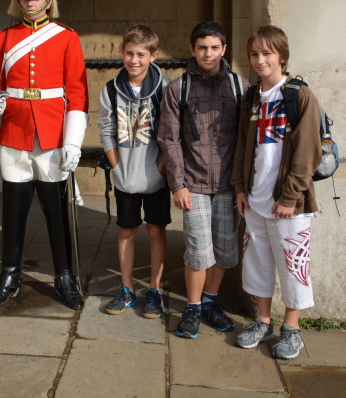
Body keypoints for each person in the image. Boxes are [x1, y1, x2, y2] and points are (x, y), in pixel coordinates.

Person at [0, 0, 89, 310]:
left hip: (52, 133)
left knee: (56, 212)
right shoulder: (4, 37)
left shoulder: (66, 38)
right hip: (14, 130)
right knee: (13, 211)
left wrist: (72, 141)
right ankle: (9, 274)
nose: (30, 3)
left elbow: (77, 93)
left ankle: (64, 276)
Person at [232, 25, 321, 359]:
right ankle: (263, 321)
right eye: (254, 54)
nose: (260, 60)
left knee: (293, 265)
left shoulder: (299, 96)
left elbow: (307, 153)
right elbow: (243, 146)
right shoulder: (252, 97)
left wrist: (290, 197)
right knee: (257, 263)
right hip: (255, 199)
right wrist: (240, 188)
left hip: (288, 204)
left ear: (282, 56)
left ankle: (292, 328)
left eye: (267, 53)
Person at [157, 21, 248, 339]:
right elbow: (169, 139)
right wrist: (178, 184)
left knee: (224, 249)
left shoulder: (239, 87)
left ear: (224, 49)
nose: (208, 54)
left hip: (228, 186)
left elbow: (246, 139)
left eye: (214, 47)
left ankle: (211, 301)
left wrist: (241, 186)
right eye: (202, 48)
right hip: (193, 184)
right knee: (197, 251)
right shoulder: (178, 88)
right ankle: (193, 307)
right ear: (192, 49)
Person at [97, 25, 171, 318]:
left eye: (141, 54)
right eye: (129, 53)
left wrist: (162, 169)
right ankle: (126, 289)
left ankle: (155, 291)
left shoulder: (165, 87)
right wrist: (116, 165)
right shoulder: (110, 90)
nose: (134, 60)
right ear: (121, 53)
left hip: (156, 177)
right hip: (125, 176)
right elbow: (106, 130)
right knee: (126, 230)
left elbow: (172, 132)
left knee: (156, 231)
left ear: (153, 55)